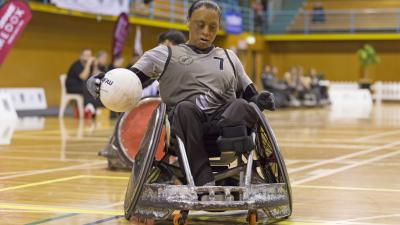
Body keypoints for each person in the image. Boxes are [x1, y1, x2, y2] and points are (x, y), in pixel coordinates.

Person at [87, 0, 275, 187]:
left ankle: (247, 167)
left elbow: (251, 94)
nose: (206, 32)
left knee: (242, 105)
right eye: (200, 25)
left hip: (224, 126)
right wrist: (102, 83)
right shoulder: (164, 54)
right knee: (185, 108)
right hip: (187, 126)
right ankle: (203, 178)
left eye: (212, 27)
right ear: (188, 22)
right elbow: (128, 80)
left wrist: (260, 99)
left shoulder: (229, 57)